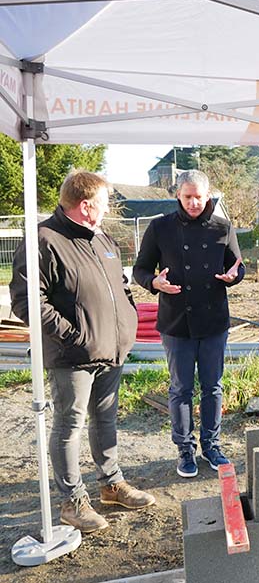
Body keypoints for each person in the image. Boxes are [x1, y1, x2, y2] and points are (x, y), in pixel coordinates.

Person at [10, 171, 155, 534]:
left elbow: (119, 286)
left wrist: (130, 318)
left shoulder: (103, 237)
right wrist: (72, 336)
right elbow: (26, 300)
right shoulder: (44, 239)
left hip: (112, 348)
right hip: (72, 355)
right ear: (86, 206)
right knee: (69, 425)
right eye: (104, 205)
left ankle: (111, 484)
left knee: (105, 420)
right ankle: (72, 501)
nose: (107, 212)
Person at [133, 170, 244, 478]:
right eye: (188, 197)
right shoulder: (160, 228)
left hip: (213, 320)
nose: (194, 202)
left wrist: (235, 276)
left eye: (199, 197)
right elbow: (140, 270)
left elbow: (236, 265)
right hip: (176, 321)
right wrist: (154, 283)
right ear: (178, 196)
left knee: (213, 386)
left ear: (208, 196)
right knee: (181, 389)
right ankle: (185, 449)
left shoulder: (223, 227)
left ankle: (211, 445)